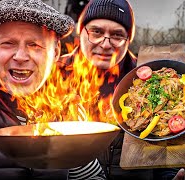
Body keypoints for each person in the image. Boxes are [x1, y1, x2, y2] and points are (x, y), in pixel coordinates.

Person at [0, 0, 106, 179]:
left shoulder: (70, 108)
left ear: (56, 52)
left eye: (35, 45)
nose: (20, 56)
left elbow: (91, 177)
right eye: (8, 43)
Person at [56, 0, 154, 179]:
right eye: (96, 32)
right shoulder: (52, 75)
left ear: (128, 40)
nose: (106, 44)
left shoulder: (147, 79)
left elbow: (164, 145)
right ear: (82, 32)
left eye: (117, 35)